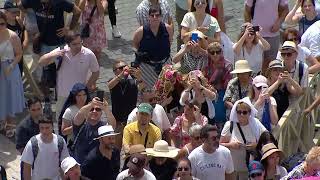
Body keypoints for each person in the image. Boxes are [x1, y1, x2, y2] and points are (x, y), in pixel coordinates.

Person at [38, 32, 100, 122]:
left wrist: (86, 87)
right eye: (74, 44)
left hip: (80, 95)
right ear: (68, 44)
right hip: (63, 94)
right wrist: (54, 55)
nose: (78, 46)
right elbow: (41, 62)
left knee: (82, 120)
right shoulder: (61, 51)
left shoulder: (88, 54)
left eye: (80, 43)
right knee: (61, 120)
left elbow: (96, 72)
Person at [220, 97, 267, 179]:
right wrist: (231, 145)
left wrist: (256, 145)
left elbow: (267, 139)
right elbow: (219, 145)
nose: (241, 114)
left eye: (244, 112)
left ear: (249, 113)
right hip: (233, 168)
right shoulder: (229, 125)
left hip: (251, 169)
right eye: (239, 112)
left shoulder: (255, 123)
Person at [133, 5, 173, 88]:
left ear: (161, 17)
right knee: (148, 89)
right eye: (152, 15)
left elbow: (170, 42)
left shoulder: (168, 28)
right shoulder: (141, 31)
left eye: (157, 15)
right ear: (148, 17)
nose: (155, 17)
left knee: (165, 87)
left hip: (165, 63)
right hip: (147, 66)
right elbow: (135, 44)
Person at [244, 0, 289, 73]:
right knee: (255, 64)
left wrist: (279, 22)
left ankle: (269, 83)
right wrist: (249, 30)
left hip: (273, 35)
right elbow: (247, 11)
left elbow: (286, 10)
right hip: (256, 35)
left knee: (271, 65)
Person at [108, 60, 144, 148]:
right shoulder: (114, 81)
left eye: (125, 66)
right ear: (115, 71)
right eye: (121, 68)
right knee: (116, 148)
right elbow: (109, 85)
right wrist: (121, 75)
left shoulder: (133, 81)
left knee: (133, 147)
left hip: (132, 121)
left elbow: (142, 87)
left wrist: (139, 77)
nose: (124, 68)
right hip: (118, 121)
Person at [0, 11, 25, 138]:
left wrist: (11, 65)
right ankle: (2, 119)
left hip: (10, 68)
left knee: (10, 95)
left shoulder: (13, 36)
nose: (0, 26)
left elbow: (19, 54)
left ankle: (10, 122)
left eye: (2, 24)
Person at [72, 97, 116, 164]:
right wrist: (91, 104)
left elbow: (112, 126)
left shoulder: (104, 127)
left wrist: (106, 109)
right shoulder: (80, 125)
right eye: (91, 109)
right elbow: (79, 114)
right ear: (87, 112)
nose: (94, 111)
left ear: (101, 113)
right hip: (81, 166)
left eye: (98, 109)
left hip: (98, 166)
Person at [203, 42, 232, 128]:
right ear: (209, 54)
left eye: (218, 52)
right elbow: (203, 79)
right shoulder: (206, 65)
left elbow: (227, 84)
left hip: (222, 91)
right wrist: (208, 88)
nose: (215, 54)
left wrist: (213, 88)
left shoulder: (227, 65)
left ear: (221, 52)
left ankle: (220, 124)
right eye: (212, 52)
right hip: (208, 91)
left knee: (219, 99)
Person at [3, 0, 28, 75]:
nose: (15, 14)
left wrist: (26, 40)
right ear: (5, 12)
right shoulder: (3, 25)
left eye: (17, 11)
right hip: (8, 57)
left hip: (19, 54)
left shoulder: (18, 20)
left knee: (19, 72)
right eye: (12, 12)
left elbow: (24, 29)